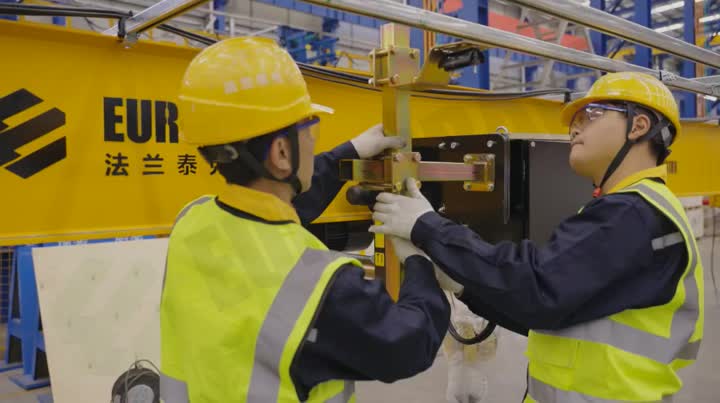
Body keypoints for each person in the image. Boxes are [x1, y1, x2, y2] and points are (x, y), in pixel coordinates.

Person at [369, 72, 705, 403]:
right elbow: (549, 313)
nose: (574, 128)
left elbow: (537, 285)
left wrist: (426, 226)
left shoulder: (632, 213)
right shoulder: (631, 211)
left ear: (638, 126)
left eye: (590, 115)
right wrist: (464, 286)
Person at [158, 37, 451, 403]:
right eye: (309, 128)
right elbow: (407, 345)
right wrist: (420, 263)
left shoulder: (191, 222)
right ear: (282, 152)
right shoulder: (320, 283)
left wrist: (350, 154)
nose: (315, 138)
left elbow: (273, 212)